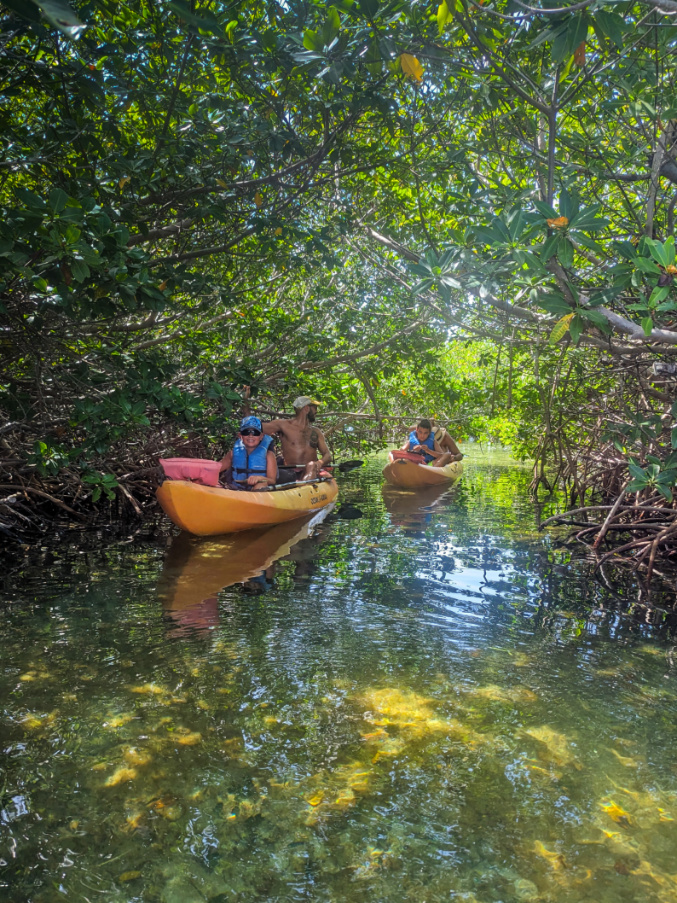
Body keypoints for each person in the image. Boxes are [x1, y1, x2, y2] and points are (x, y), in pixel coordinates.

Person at [262, 396, 332, 482]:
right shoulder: (283, 425)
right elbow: (256, 427)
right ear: (306, 408)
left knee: (311, 465)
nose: (316, 411)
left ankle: (305, 485)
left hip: (311, 470)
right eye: (314, 408)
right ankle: (304, 486)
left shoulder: (316, 432)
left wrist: (319, 463)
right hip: (290, 471)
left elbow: (328, 455)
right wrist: (245, 406)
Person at [218, 416, 277, 490]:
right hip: (235, 489)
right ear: (240, 436)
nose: (250, 436)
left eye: (255, 433)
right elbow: (217, 468)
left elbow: (272, 480)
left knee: (261, 485)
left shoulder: (269, 455)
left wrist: (260, 478)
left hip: (257, 490)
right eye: (246, 432)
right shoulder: (232, 454)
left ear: (261, 436)